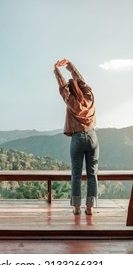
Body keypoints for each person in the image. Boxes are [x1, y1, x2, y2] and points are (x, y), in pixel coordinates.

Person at [54, 59, 99, 216]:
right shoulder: (89, 96)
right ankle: (90, 207)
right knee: (92, 173)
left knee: (76, 174)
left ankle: (76, 207)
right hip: (93, 136)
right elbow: (82, 81)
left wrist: (56, 70)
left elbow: (62, 87)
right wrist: (71, 67)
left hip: (78, 138)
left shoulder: (71, 101)